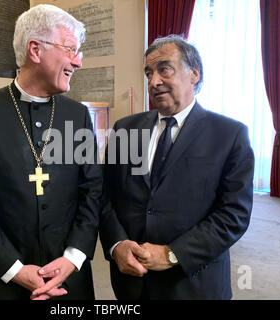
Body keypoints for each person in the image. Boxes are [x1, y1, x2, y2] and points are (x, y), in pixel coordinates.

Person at [0, 4, 102, 300]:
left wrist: (73, 257)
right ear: (35, 50)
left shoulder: (77, 115)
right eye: (70, 49)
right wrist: (15, 270)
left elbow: (92, 191)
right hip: (3, 280)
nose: (78, 61)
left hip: (70, 278)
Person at [100, 35, 254, 299]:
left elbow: (234, 215)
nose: (153, 81)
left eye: (164, 69)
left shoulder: (229, 135)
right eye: (148, 73)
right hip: (132, 282)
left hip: (193, 282)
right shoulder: (125, 129)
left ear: (194, 74)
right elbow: (105, 196)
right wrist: (117, 245)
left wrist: (172, 254)